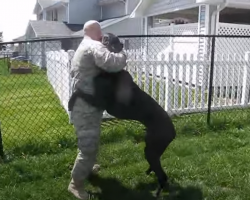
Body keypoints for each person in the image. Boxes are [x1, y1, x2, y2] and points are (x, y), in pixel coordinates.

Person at [68, 20, 127, 200]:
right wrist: (122, 52)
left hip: (85, 104)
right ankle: (75, 184)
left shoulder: (82, 46)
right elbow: (114, 63)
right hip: (85, 107)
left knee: (90, 141)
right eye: (101, 33)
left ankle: (88, 168)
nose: (103, 37)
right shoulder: (93, 45)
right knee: (88, 147)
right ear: (97, 32)